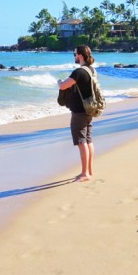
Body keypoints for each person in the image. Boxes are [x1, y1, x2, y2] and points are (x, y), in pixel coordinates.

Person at [58, 45, 98, 181]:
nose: (74, 56)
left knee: (82, 142)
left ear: (80, 55)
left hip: (79, 112)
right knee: (88, 140)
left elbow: (64, 85)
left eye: (74, 54)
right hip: (89, 110)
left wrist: (59, 83)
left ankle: (85, 173)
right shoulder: (91, 70)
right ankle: (89, 171)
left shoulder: (79, 72)